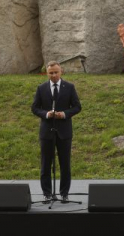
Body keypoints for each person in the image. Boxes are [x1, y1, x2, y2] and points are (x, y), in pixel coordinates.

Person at [32, 61, 81, 202]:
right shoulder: (41, 88)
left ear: (61, 72)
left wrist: (64, 114)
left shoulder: (69, 87)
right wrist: (47, 114)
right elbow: (35, 108)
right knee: (45, 164)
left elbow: (77, 107)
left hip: (64, 132)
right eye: (51, 73)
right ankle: (47, 193)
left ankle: (64, 193)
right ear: (47, 73)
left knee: (65, 164)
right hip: (47, 131)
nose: (53, 75)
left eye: (56, 72)